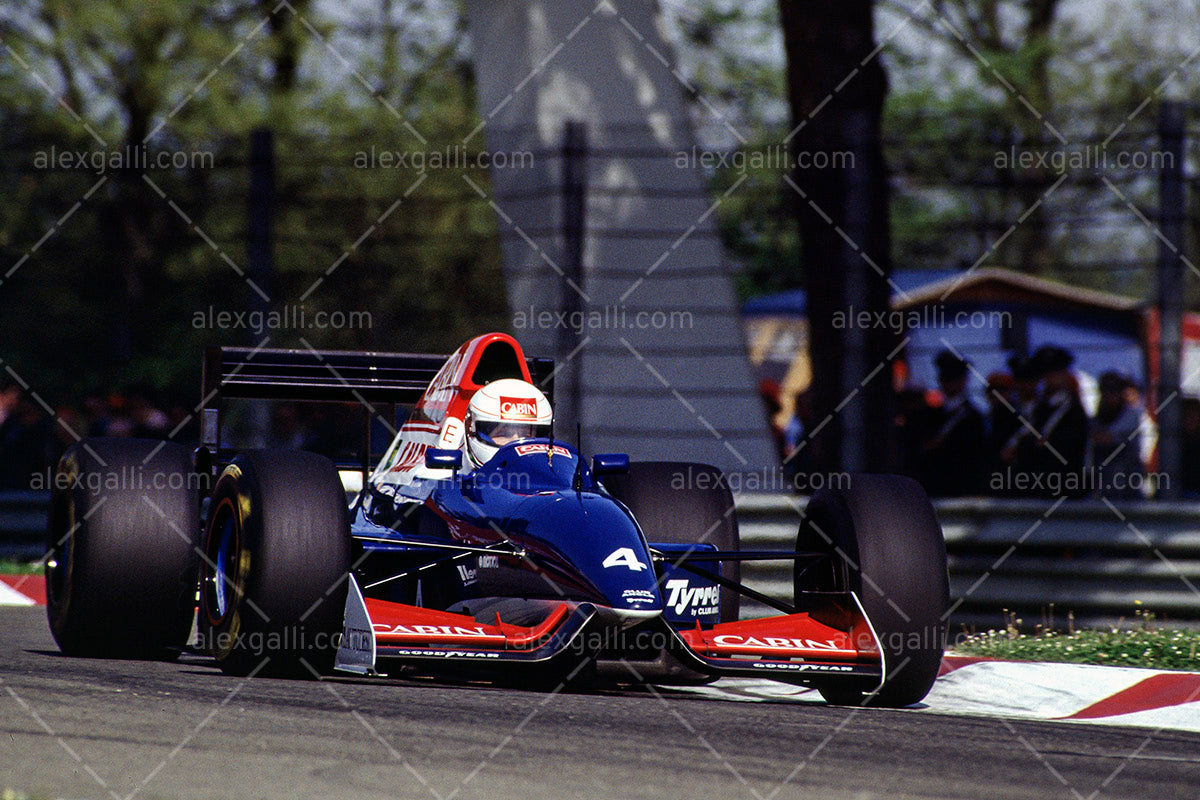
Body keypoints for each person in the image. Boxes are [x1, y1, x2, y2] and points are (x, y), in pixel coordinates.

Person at [918, 350, 985, 496]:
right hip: (933, 489)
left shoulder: (973, 417)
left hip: (961, 491)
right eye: (945, 379)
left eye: (953, 379)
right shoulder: (931, 414)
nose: (948, 384)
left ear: (963, 381)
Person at [1029, 345, 1088, 498]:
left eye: (1055, 372)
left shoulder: (1073, 408)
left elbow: (1074, 446)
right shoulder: (1040, 407)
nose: (1049, 378)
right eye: (1046, 373)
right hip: (1036, 484)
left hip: (1065, 486)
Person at [463, 378, 553, 469]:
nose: (516, 442)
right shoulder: (450, 471)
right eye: (504, 434)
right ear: (470, 428)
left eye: (526, 435)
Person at [1090, 371, 1144, 499]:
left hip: (1127, 490)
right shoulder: (1096, 420)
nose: (1110, 396)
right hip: (1102, 488)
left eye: (1114, 391)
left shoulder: (1131, 416)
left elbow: (1104, 438)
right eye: (1106, 391)